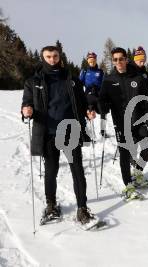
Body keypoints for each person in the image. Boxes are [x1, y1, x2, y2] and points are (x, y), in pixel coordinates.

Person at [21, 45, 96, 224]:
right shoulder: (33, 82)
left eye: (55, 56)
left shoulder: (71, 79)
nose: (52, 60)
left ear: (59, 56)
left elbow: (82, 102)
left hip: (71, 130)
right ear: (43, 58)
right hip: (48, 132)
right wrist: (26, 110)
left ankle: (82, 208)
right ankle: (51, 204)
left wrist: (89, 110)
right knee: (51, 170)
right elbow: (27, 102)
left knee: (77, 169)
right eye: (48, 57)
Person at [98, 47, 148, 200]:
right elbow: (102, 100)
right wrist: (100, 107)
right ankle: (128, 185)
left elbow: (145, 93)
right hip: (121, 123)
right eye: (115, 59)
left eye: (121, 58)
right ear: (113, 61)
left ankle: (138, 172)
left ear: (126, 59)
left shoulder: (137, 76)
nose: (118, 62)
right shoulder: (109, 80)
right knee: (125, 153)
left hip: (138, 118)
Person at [79, 51, 108, 138]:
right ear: (88, 61)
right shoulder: (84, 71)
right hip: (88, 95)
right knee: (89, 113)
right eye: (90, 61)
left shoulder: (100, 71)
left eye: (93, 60)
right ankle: (90, 133)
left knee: (103, 112)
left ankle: (103, 131)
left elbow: (104, 84)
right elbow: (80, 83)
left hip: (98, 94)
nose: (92, 62)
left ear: (96, 60)